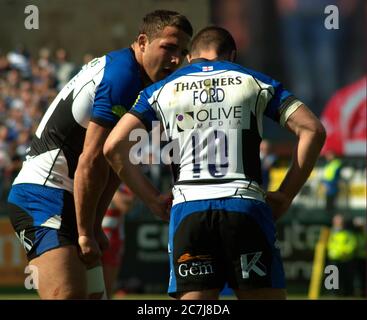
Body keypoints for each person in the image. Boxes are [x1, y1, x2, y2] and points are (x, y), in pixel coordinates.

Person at [103, 26, 326, 300]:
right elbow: (312, 130)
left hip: (188, 209)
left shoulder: (160, 90)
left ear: (189, 58)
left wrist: (151, 199)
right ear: (231, 56)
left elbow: (113, 147)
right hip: (245, 206)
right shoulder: (252, 81)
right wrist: (285, 194)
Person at [7, 10, 192, 299]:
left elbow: (112, 161)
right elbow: (91, 159)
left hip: (69, 198)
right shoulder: (124, 76)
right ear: (143, 42)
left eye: (183, 51)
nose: (175, 59)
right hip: (42, 196)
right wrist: (85, 231)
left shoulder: (138, 80)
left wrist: (94, 224)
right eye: (168, 47)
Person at [101, 184, 134, 298]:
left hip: (112, 240)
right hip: (91, 236)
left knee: (107, 287)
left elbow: (126, 206)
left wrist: (109, 189)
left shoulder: (120, 185)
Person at [321, 150, 342, 217]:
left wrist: (328, 185)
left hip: (332, 187)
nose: (327, 157)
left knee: (332, 207)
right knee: (328, 206)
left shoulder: (336, 164)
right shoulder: (328, 164)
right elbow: (326, 175)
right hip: (328, 188)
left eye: (329, 155)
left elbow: (336, 177)